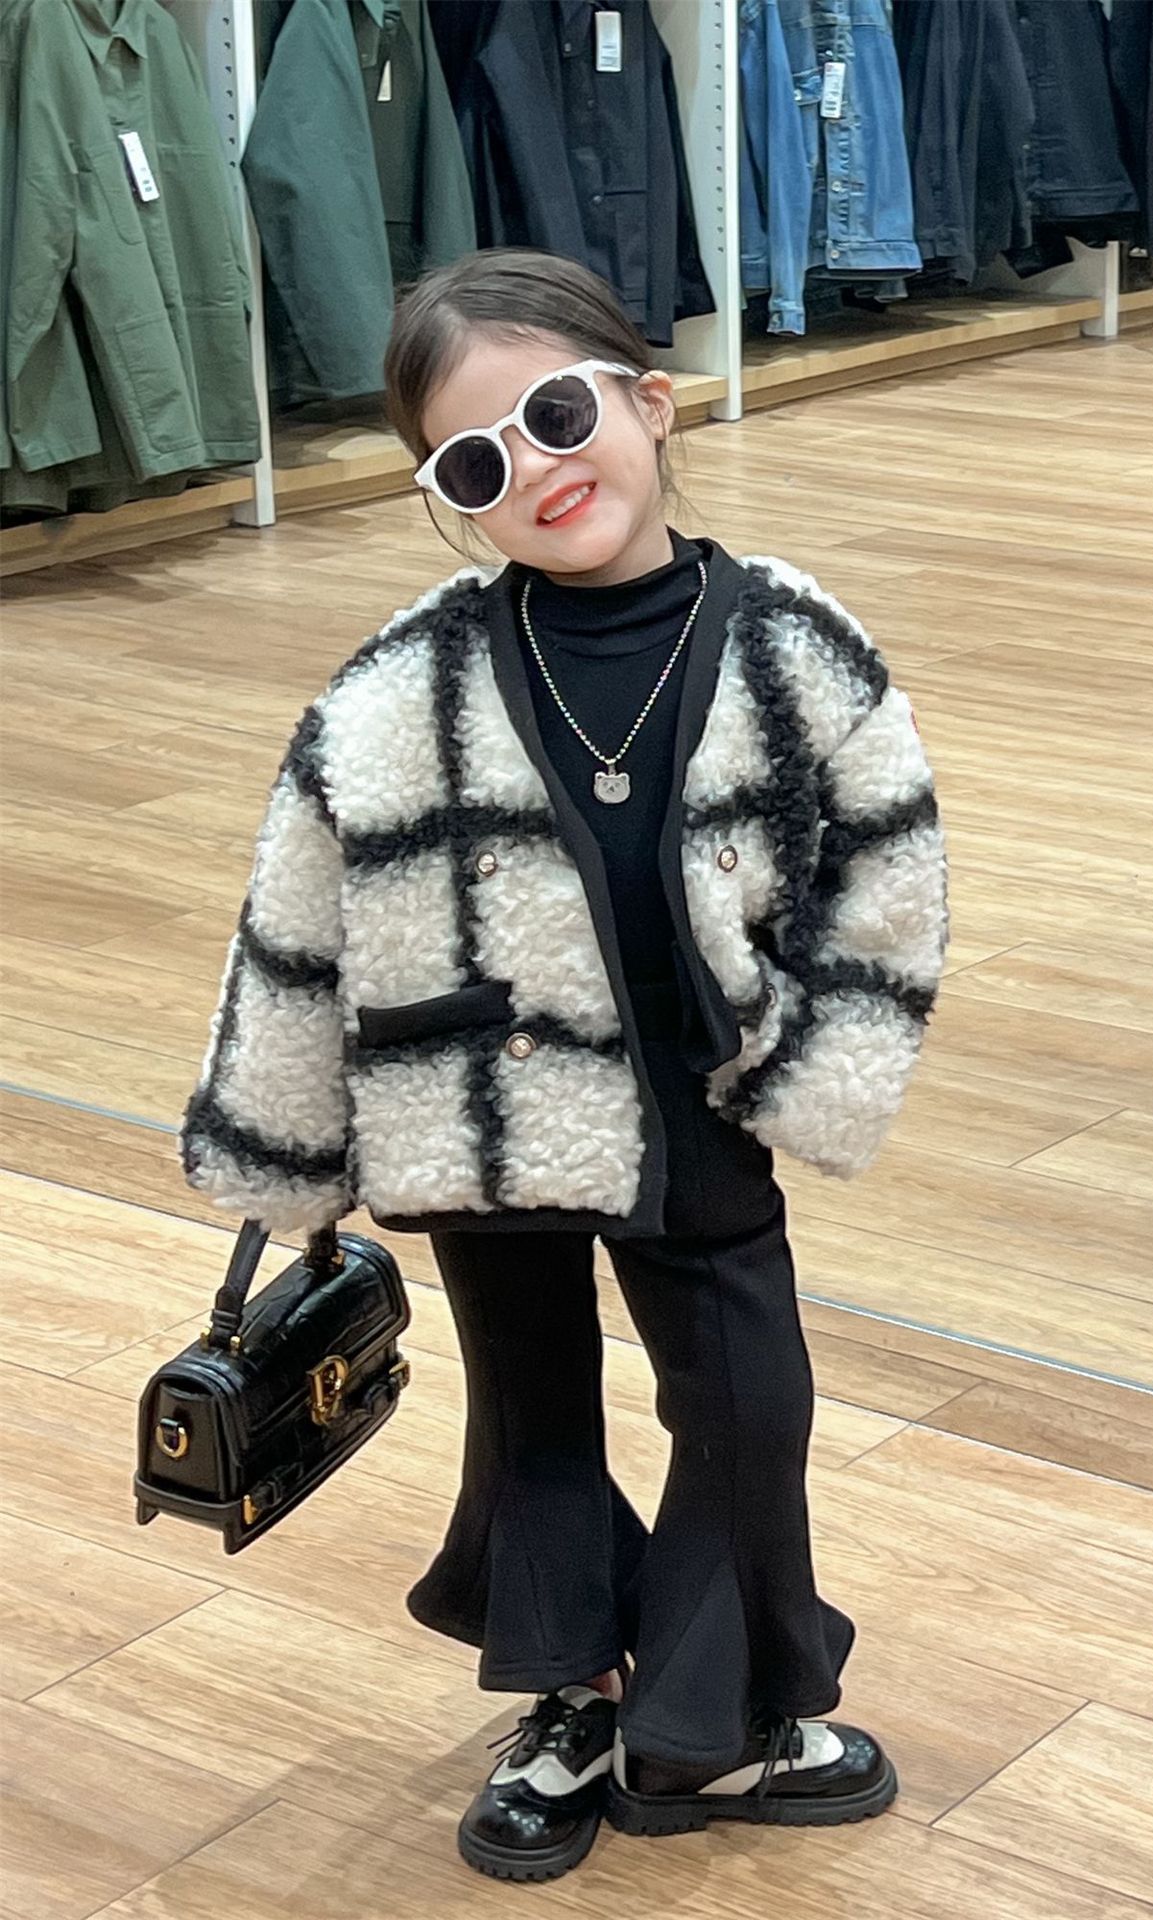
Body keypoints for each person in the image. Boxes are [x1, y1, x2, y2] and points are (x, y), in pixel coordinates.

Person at [178, 246, 949, 1883]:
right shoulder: (400, 681)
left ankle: (714, 1716)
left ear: (649, 402)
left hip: (696, 1103)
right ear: (446, 501)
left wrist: (814, 1057)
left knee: (746, 1405)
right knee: (532, 1405)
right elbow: (295, 916)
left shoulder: (792, 641)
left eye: (555, 415)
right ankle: (573, 1695)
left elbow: (888, 866)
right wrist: (286, 1144)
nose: (534, 470)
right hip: (474, 1104)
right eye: (475, 463)